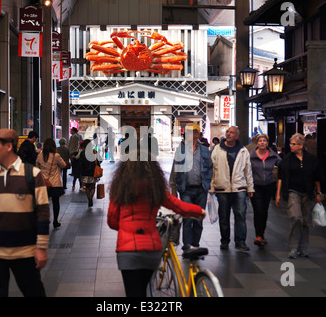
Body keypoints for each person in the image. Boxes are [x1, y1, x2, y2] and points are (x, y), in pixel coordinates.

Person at [107, 149, 206, 297]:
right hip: (151, 250)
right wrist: (199, 211)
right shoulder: (156, 189)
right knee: (144, 289)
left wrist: (126, 227)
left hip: (127, 252)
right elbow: (179, 206)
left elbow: (112, 222)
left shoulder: (119, 191)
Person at [0, 129, 50, 297]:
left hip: (25, 252)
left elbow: (43, 213)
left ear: (8, 146)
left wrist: (41, 248)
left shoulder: (33, 174)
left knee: (35, 293)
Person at [275, 133, 323, 259]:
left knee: (306, 221)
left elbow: (317, 178)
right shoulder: (287, 160)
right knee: (296, 218)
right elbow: (280, 177)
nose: (291, 146)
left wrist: (319, 193)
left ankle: (304, 247)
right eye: (290, 144)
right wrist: (278, 194)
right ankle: (294, 247)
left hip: (308, 193)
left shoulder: (311, 159)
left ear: (301, 145)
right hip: (292, 191)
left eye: (293, 144)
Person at [169, 123, 213, 253]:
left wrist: (210, 184)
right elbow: (175, 170)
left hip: (201, 189)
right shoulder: (181, 151)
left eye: (191, 131)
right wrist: (172, 189)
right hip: (186, 189)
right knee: (187, 218)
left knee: (199, 218)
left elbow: (211, 169)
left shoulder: (205, 150)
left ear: (197, 134)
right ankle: (187, 246)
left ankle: (196, 244)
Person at [210, 126, 254, 251]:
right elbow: (212, 169)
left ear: (237, 136)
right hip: (222, 188)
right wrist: (211, 187)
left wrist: (250, 188)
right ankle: (224, 240)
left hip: (239, 188)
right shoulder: (217, 149)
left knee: (240, 215)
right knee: (224, 216)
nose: (228, 134)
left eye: (232, 133)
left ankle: (240, 241)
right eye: (227, 132)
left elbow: (248, 170)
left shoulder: (243, 151)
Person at [249, 134, 282, 247]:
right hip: (256, 186)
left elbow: (282, 165)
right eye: (260, 141)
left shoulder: (273, 155)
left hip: (269, 185)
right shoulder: (251, 155)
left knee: (264, 210)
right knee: (258, 210)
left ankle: (262, 233)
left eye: (264, 141)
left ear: (267, 143)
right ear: (257, 143)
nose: (262, 143)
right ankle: (258, 235)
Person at [37, 138, 67, 229]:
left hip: (43, 182)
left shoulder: (40, 156)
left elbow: (36, 168)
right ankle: (55, 221)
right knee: (55, 202)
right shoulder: (56, 156)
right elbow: (64, 165)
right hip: (55, 183)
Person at [79, 139, 100, 207]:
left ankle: (89, 199)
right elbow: (99, 161)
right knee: (93, 186)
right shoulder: (94, 152)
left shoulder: (82, 153)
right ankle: (91, 198)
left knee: (87, 187)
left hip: (85, 172)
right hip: (93, 172)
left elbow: (80, 163)